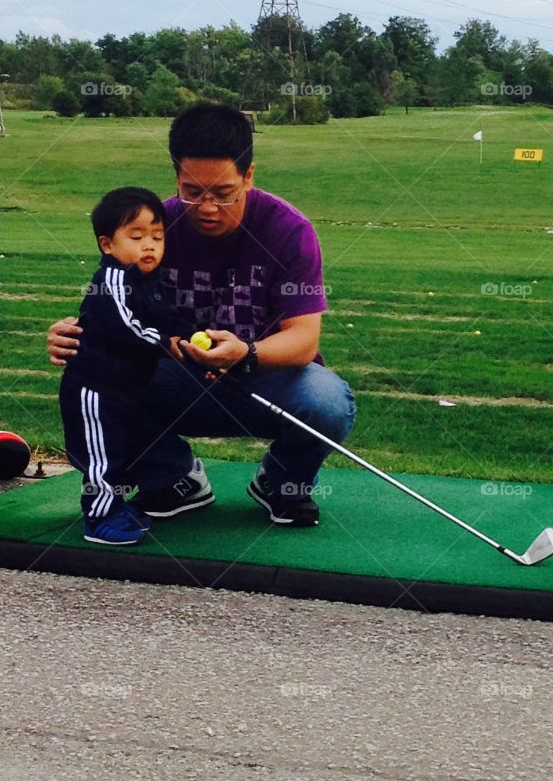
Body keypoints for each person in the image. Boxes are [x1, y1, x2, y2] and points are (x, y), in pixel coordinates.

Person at [48, 103, 356, 529]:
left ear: (248, 176)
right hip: (176, 380)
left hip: (259, 376)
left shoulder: (289, 230)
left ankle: (282, 483)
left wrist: (244, 353)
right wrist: (76, 334)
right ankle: (172, 477)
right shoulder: (153, 229)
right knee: (92, 376)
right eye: (192, 191)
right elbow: (113, 303)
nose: (207, 207)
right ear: (176, 177)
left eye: (223, 193)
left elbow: (304, 341)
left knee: (327, 402)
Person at [59, 186, 181, 546]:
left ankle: (116, 506)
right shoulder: (112, 279)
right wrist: (167, 343)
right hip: (94, 388)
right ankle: (99, 517)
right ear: (107, 244)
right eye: (137, 237)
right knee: (101, 456)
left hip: (123, 388)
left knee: (119, 448)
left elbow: (166, 318)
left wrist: (188, 337)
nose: (149, 246)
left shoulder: (149, 281)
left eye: (157, 237)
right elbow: (125, 327)